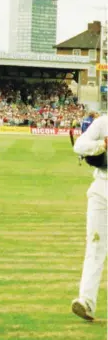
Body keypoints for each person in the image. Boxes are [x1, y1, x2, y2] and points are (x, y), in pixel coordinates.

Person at [71, 114, 108, 320]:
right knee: (94, 245)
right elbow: (80, 146)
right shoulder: (103, 123)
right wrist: (102, 144)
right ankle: (86, 301)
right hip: (102, 185)